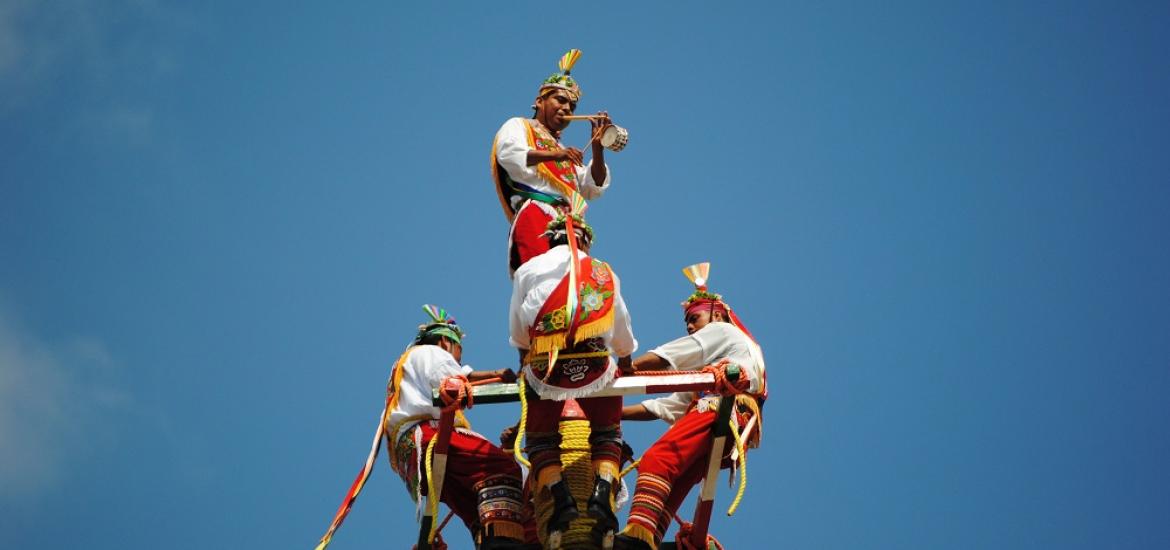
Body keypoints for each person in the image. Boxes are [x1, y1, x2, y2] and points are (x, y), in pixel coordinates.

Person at [613, 264, 768, 550]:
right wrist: (616, 413)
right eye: (687, 321)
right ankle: (648, 539)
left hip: (718, 408)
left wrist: (625, 368)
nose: (689, 326)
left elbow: (670, 355)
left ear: (717, 314)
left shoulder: (723, 331)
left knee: (657, 460)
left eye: (694, 318)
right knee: (673, 481)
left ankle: (637, 535)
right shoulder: (710, 370)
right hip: (728, 423)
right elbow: (666, 406)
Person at [508, 199, 636, 544]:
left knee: (541, 440)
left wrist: (527, 361)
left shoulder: (527, 271)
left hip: (545, 370)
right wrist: (625, 362)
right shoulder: (603, 271)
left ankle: (560, 495)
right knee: (607, 435)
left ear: (550, 240)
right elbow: (620, 325)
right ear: (586, 241)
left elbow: (519, 333)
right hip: (596, 369)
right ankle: (602, 492)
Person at [385, 305, 534, 550]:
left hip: (412, 457)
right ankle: (500, 540)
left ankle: (490, 539)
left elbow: (461, 375)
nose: (459, 360)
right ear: (445, 342)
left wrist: (496, 374)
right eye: (458, 353)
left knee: (472, 501)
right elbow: (451, 379)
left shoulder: (407, 364)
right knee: (500, 466)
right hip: (430, 434)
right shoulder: (431, 353)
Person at [491, 48, 617, 275]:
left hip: (573, 226)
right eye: (560, 100)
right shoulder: (520, 126)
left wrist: (598, 149)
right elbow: (509, 153)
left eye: (572, 106)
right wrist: (556, 155)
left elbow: (592, 186)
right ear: (539, 101)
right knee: (544, 278)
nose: (567, 108)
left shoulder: (564, 151)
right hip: (536, 216)